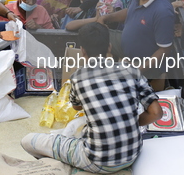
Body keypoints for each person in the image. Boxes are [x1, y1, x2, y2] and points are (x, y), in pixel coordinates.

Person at [21, 23, 162, 173]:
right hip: (132, 154)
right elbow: (156, 113)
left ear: (82, 51)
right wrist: (129, 123)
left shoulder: (78, 78)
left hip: (97, 160)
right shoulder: (132, 70)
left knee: (28, 140)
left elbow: (76, 107)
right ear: (109, 47)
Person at [98, 0, 175, 85]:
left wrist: (136, 71)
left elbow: (164, 50)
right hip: (126, 51)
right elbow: (131, 11)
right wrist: (107, 17)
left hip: (146, 68)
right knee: (92, 32)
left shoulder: (162, 11)